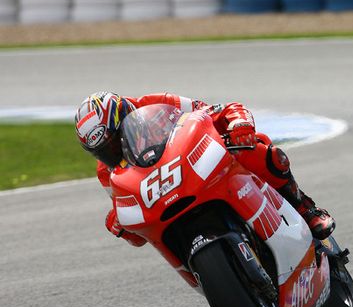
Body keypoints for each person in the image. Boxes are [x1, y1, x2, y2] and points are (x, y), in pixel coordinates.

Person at [75, 92, 334, 246]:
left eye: (114, 141)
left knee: (257, 148)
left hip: (197, 163)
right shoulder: (106, 172)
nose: (112, 153)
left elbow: (215, 112)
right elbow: (137, 228)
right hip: (170, 199)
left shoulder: (159, 102)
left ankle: (305, 209)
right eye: (102, 151)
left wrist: (239, 124)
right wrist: (121, 225)